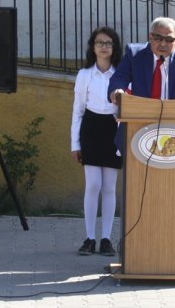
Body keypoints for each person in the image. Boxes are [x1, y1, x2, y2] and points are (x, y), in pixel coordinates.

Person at [107, 17, 175, 153]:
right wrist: (117, 90)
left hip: (174, 129)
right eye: (158, 38)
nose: (163, 43)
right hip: (138, 125)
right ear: (150, 37)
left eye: (169, 39)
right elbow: (120, 76)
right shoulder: (135, 53)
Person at [70, 26, 123, 256]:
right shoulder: (85, 75)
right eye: (99, 42)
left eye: (108, 43)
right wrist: (75, 144)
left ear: (114, 48)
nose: (104, 47)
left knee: (109, 187)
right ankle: (89, 238)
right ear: (93, 47)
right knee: (93, 185)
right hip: (91, 128)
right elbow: (78, 111)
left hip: (113, 128)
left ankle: (106, 239)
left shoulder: (120, 74)